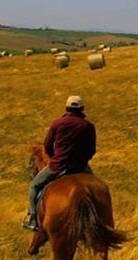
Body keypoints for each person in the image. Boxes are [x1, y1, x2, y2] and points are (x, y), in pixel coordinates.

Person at [22, 95, 97, 230]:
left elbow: (47, 145)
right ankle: (98, 218)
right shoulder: (89, 126)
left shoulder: (57, 123)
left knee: (34, 185)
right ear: (82, 109)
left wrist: (54, 158)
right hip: (80, 166)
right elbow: (91, 149)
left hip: (58, 165)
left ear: (66, 108)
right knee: (96, 188)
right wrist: (83, 161)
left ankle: (32, 218)